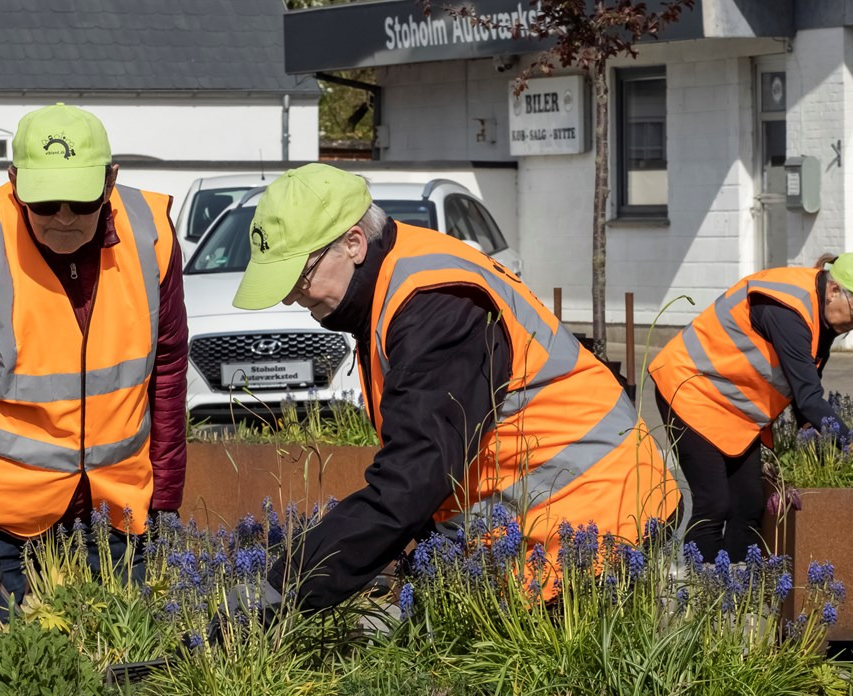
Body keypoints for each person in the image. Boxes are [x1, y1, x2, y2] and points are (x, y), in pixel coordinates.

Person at [230, 163, 679, 612]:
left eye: (300, 275)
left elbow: (413, 478)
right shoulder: (399, 280)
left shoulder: (435, 308)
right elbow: (438, 462)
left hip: (597, 523)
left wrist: (284, 589)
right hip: (546, 522)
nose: (291, 296)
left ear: (354, 243)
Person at [0, 103, 188, 687]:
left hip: (109, 511)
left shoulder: (150, 235)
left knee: (117, 687)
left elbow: (167, 371)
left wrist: (163, 500)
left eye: (81, 202)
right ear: (13, 182)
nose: (63, 219)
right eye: (44, 203)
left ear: (110, 181)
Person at [647, 253, 853, 562]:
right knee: (714, 503)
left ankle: (739, 586)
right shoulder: (787, 311)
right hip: (690, 390)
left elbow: (803, 390)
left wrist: (814, 435)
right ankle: (701, 586)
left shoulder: (821, 315)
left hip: (735, 408)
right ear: (834, 291)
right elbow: (809, 398)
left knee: (748, 505)